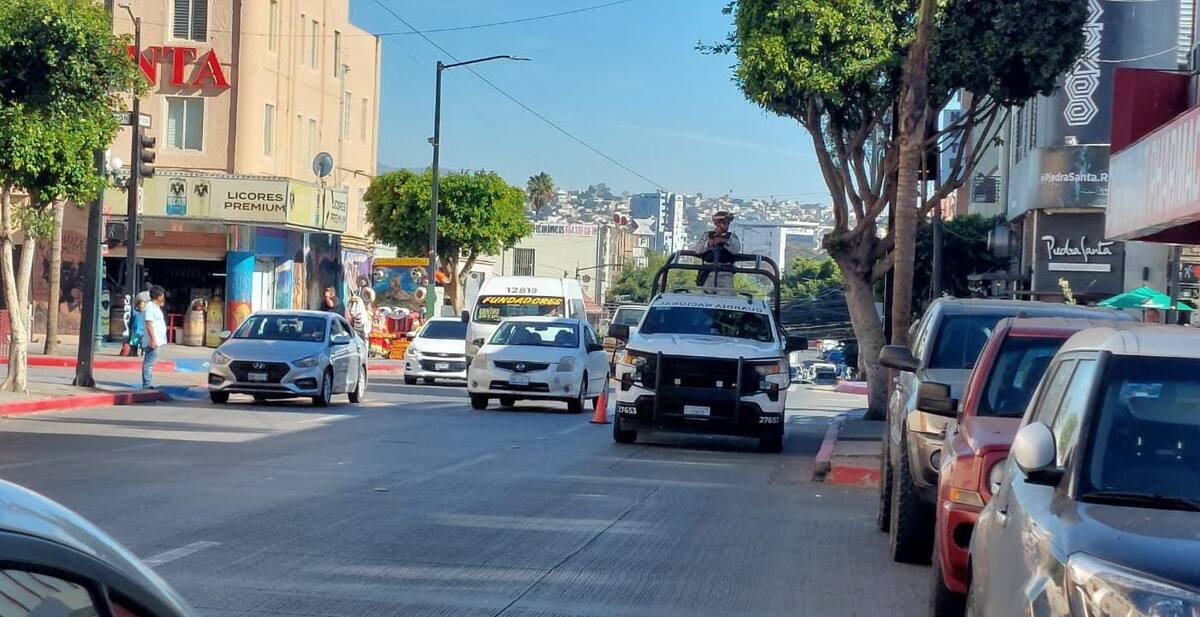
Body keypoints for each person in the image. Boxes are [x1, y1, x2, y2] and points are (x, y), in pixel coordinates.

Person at [691, 211, 742, 289]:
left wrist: (724, 242)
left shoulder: (731, 237)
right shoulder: (707, 235)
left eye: (728, 223)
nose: (727, 226)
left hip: (725, 273)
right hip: (707, 272)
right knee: (706, 293)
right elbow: (697, 249)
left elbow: (736, 249)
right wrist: (708, 244)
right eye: (724, 223)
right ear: (717, 224)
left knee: (726, 294)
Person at [141, 286, 167, 390]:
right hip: (152, 340)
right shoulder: (150, 307)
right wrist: (153, 339)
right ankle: (147, 383)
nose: (163, 297)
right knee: (149, 363)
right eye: (162, 295)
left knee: (150, 362)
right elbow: (149, 324)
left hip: (157, 339)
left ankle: (148, 382)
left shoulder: (155, 306)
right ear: (158, 296)